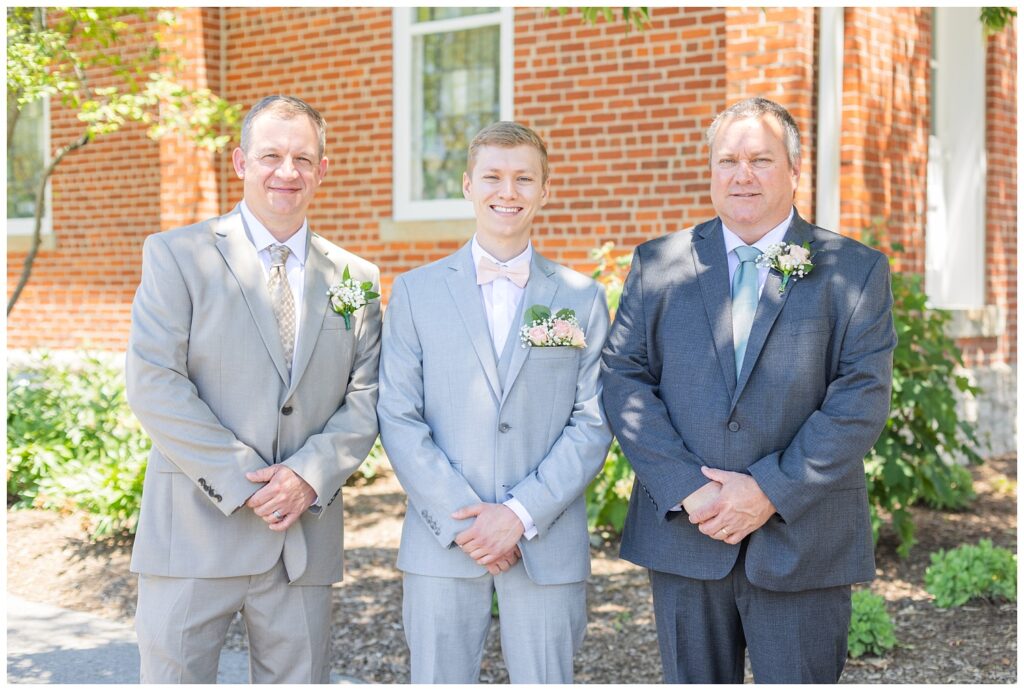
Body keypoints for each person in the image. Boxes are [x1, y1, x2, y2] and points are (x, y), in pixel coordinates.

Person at [600, 97, 896, 683]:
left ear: (794, 169)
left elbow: (861, 398)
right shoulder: (658, 265)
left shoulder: (853, 270)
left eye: (760, 159)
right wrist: (690, 490)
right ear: (710, 170)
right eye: (727, 160)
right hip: (686, 536)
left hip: (802, 537)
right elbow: (622, 377)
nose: (742, 174)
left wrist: (768, 489)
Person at [125, 95, 381, 683]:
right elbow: (154, 383)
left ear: (323, 168)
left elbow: (366, 395)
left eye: (302, 158)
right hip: (192, 533)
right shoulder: (178, 255)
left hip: (302, 541)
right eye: (271, 155)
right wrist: (250, 481)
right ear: (240, 162)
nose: (286, 172)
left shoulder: (355, 279)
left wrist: (306, 476)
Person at [376, 121, 612, 683]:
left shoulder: (581, 297)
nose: (508, 192)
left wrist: (519, 515)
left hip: (546, 542)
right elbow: (398, 415)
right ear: (467, 185)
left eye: (524, 178)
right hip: (443, 541)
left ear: (545, 191)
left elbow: (593, 420)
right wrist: (470, 523)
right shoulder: (415, 292)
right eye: (494, 177)